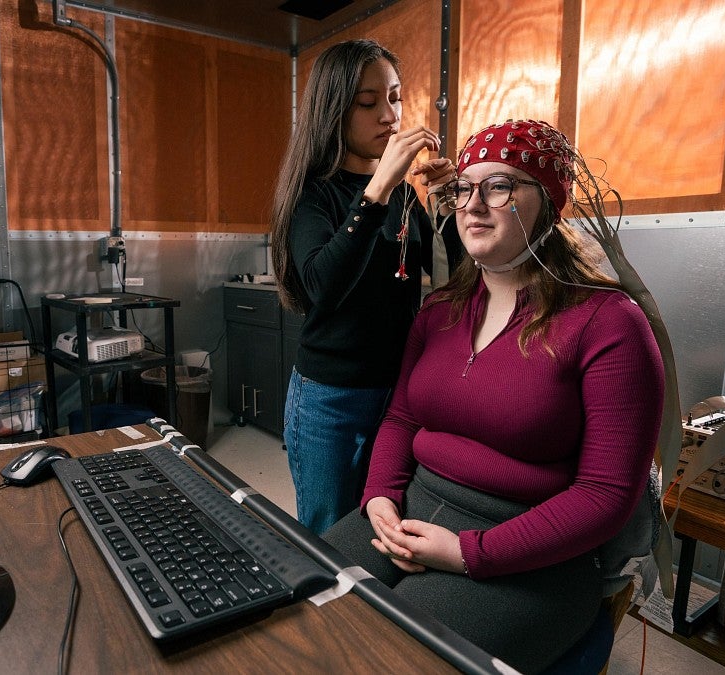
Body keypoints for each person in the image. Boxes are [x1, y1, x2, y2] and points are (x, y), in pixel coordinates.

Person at [321, 119, 666, 674]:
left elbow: (605, 495)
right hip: (411, 510)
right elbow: (402, 420)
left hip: (534, 551)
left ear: (548, 204)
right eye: (464, 187)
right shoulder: (439, 311)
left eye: (500, 185)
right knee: (303, 604)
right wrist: (380, 498)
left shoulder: (609, 324)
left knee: (387, 657)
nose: (473, 204)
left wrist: (468, 554)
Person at [269, 39, 461, 535]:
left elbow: (458, 277)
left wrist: (450, 204)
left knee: (383, 522)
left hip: (398, 392)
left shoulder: (401, 194)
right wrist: (375, 193)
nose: (390, 116)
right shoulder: (316, 193)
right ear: (335, 109)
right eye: (368, 102)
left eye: (395, 98)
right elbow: (321, 288)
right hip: (330, 398)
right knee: (329, 532)